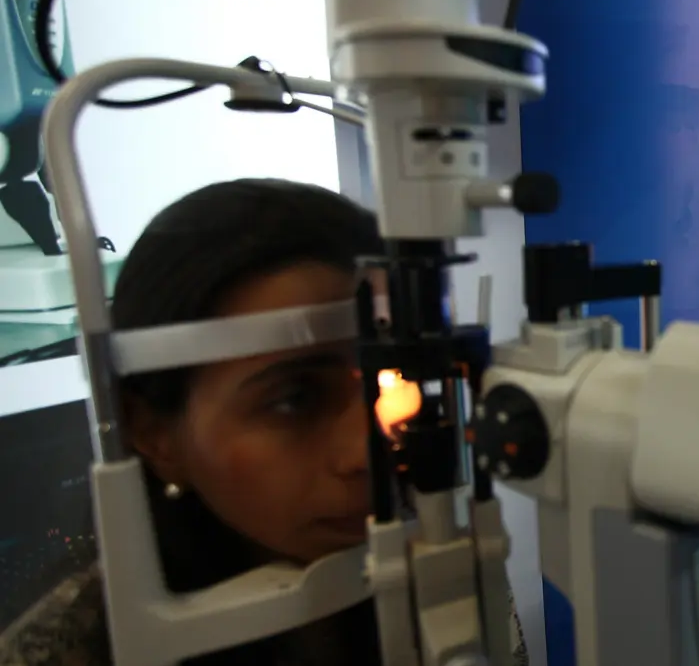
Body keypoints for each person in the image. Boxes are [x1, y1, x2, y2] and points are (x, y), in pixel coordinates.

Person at [0, 179, 529, 665]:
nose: (364, 453)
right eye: (295, 400)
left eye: (394, 384)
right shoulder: (61, 652)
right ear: (153, 434)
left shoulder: (452, 572)